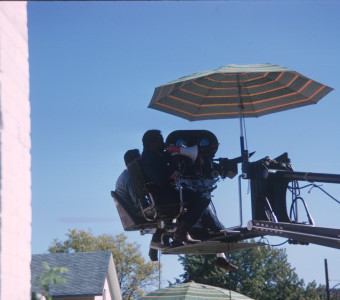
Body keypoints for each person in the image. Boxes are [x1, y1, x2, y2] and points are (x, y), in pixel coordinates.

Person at [141, 129, 211, 244]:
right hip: (163, 196)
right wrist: (174, 163)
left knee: (194, 196)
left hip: (163, 194)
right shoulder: (149, 157)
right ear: (152, 144)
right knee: (203, 198)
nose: (164, 144)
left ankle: (179, 235)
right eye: (160, 141)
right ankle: (181, 232)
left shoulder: (153, 155)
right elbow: (160, 179)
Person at [115, 149, 143, 219]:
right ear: (136, 161)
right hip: (137, 213)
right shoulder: (130, 177)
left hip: (133, 212)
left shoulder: (125, 175)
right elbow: (140, 204)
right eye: (140, 160)